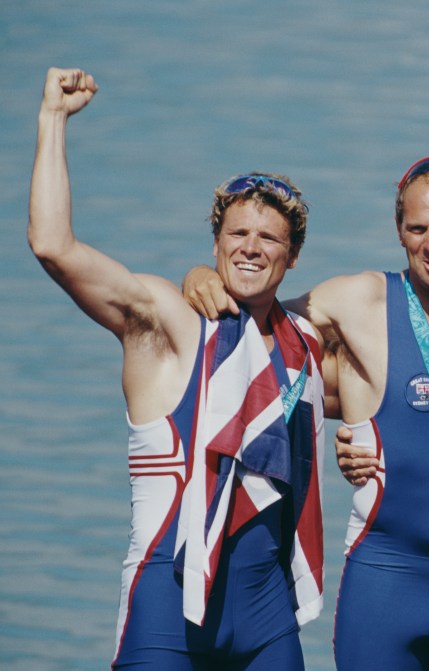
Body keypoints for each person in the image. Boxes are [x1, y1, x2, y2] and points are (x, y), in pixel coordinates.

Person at [183, 156, 429, 670]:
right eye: (417, 229)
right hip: (385, 581)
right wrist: (201, 274)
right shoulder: (358, 300)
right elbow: (260, 315)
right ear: (399, 230)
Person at [28, 68, 329, 670]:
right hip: (167, 603)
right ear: (215, 243)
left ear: (292, 256)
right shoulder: (168, 322)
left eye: (269, 238)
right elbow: (54, 247)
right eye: (237, 233)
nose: (251, 247)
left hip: (266, 612)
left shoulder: (305, 342)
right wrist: (53, 120)